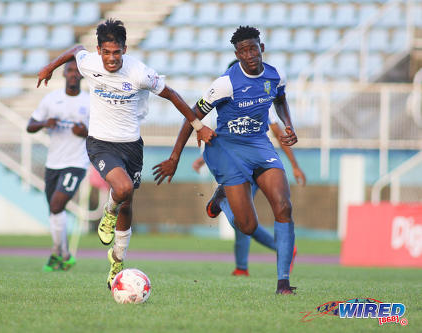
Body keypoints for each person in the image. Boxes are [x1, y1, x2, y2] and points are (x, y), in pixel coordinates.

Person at [36, 19, 216, 288]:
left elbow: (174, 96)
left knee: (128, 202)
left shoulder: (140, 73)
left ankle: (117, 260)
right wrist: (50, 67)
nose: (111, 58)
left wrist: (198, 125)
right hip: (100, 143)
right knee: (122, 189)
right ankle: (108, 213)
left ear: (124, 49)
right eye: (106, 52)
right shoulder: (89, 64)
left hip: (131, 146)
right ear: (99, 51)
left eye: (117, 52)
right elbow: (75, 49)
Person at [153, 26, 298, 294]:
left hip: (258, 144)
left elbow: (281, 100)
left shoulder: (275, 76)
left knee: (284, 206)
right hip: (225, 149)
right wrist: (175, 157)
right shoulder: (225, 84)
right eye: (243, 51)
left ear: (261, 48)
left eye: (253, 48)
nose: (249, 54)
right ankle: (221, 200)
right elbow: (192, 116)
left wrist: (289, 125)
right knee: (248, 225)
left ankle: (283, 283)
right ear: (237, 54)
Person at [193, 106, 306, 277]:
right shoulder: (242, 99)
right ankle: (243, 266)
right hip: (249, 163)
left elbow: (278, 133)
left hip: (254, 166)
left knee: (242, 216)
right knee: (244, 219)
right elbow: (232, 135)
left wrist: (295, 165)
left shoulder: (262, 101)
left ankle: (273, 252)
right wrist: (204, 158)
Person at [27, 60, 89, 272]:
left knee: (56, 205)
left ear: (82, 76)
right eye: (69, 70)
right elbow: (30, 126)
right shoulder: (51, 100)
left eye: (77, 71)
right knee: (54, 211)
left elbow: (100, 135)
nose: (73, 74)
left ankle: (56, 253)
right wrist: (45, 123)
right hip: (53, 163)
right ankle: (63, 256)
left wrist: (86, 133)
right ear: (63, 74)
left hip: (76, 163)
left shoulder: (89, 102)